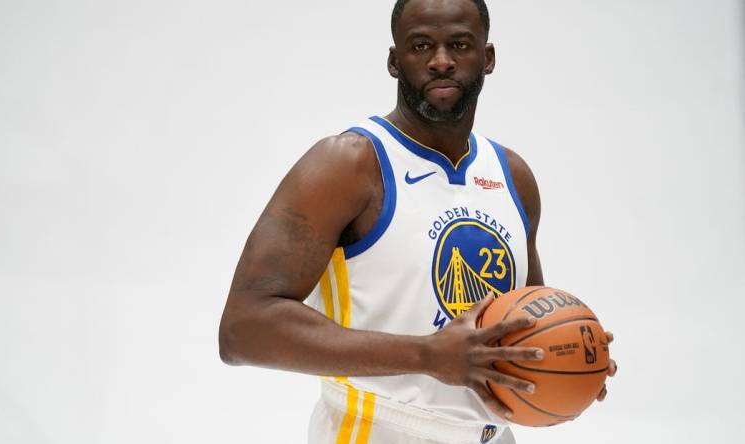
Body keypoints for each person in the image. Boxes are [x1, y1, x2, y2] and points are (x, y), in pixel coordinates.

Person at [218, 0, 616, 442]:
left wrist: (572, 364)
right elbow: (243, 329)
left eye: (459, 44)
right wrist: (426, 355)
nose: (441, 61)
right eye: (421, 45)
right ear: (394, 61)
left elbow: (521, 328)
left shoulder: (512, 176)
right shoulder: (347, 164)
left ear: (487, 58)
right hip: (378, 429)